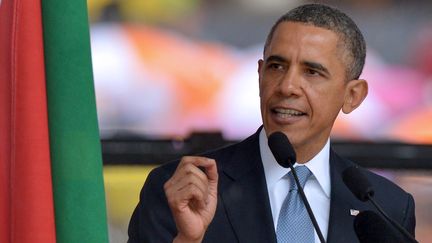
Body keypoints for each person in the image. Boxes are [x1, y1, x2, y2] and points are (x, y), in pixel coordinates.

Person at [128, 3, 416, 243]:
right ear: (259, 75)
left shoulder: (387, 207)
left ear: (353, 96)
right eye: (277, 67)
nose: (287, 86)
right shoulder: (181, 191)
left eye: (312, 72)